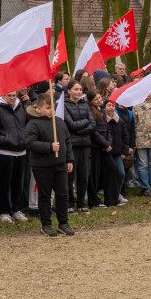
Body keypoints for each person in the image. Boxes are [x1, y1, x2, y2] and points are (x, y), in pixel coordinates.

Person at [25, 93, 75, 237]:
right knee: (45, 195)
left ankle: (63, 222)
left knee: (63, 194)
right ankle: (46, 224)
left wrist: (69, 159)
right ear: (39, 108)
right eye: (48, 108)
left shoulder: (59, 122)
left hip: (60, 164)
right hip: (42, 165)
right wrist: (49, 147)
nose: (51, 110)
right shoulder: (33, 124)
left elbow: (67, 141)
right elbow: (29, 143)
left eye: (52, 107)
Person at [0, 90, 29, 222]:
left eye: (14, 95)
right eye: (9, 95)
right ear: (3, 96)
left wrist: (24, 139)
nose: (12, 98)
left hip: (21, 152)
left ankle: (17, 210)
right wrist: (5, 140)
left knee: (18, 183)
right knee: (5, 184)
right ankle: (4, 211)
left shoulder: (21, 110)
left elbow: (27, 126)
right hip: (5, 152)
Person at [63, 80, 95, 211]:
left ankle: (81, 203)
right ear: (69, 91)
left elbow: (92, 124)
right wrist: (85, 122)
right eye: (76, 89)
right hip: (72, 145)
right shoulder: (64, 105)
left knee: (84, 175)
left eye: (80, 89)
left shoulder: (85, 105)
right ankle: (70, 203)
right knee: (70, 176)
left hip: (85, 145)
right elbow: (70, 125)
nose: (78, 92)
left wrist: (78, 130)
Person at [99, 100, 131, 207]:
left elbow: (125, 136)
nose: (111, 107)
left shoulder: (120, 121)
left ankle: (117, 193)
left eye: (113, 106)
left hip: (117, 153)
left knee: (121, 173)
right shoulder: (102, 120)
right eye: (109, 105)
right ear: (104, 107)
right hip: (106, 153)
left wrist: (124, 151)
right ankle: (107, 192)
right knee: (108, 174)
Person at [87, 89, 108, 208]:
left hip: (101, 146)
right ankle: (93, 200)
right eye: (96, 99)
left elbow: (106, 128)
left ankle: (98, 197)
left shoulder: (101, 110)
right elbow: (94, 131)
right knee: (93, 174)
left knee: (99, 172)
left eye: (100, 98)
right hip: (94, 146)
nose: (99, 100)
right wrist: (105, 144)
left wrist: (106, 143)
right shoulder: (91, 111)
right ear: (90, 101)